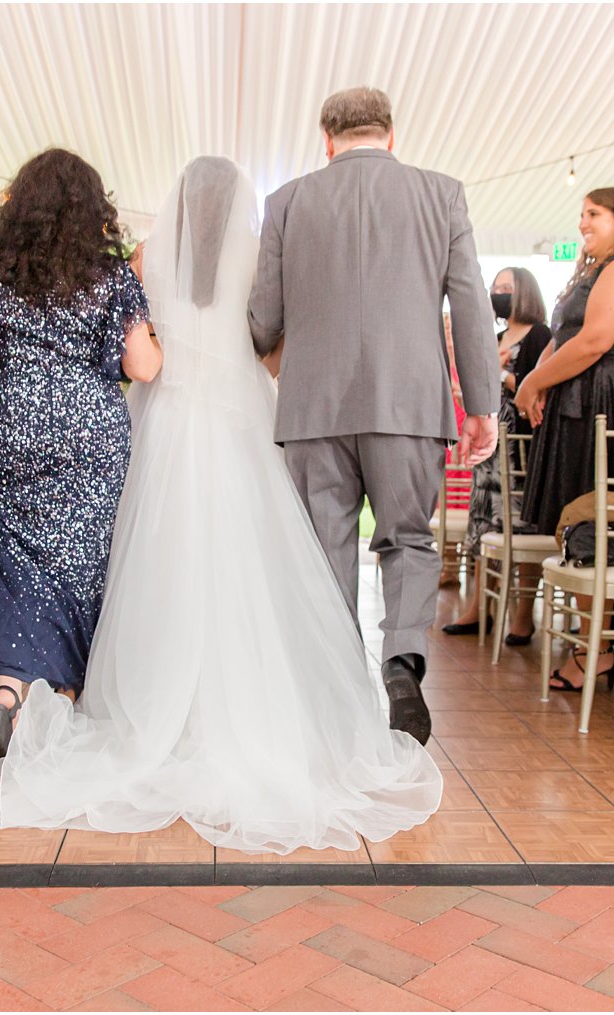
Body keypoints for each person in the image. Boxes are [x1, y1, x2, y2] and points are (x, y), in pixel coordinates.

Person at [0, 156, 442, 853]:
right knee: (248, 557)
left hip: (163, 416)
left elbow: (131, 343)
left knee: (157, 557)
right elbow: (270, 337)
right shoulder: (259, 253)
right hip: (240, 417)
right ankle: (256, 705)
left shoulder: (145, 256)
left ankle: (147, 702)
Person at [248, 86, 498, 746]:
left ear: (325, 139)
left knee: (325, 545)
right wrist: (482, 407)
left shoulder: (287, 201)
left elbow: (263, 318)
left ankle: (333, 692)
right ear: (391, 134)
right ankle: (402, 664)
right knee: (408, 539)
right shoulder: (441, 193)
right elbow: (471, 307)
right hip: (410, 401)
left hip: (312, 407)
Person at [0, 149, 162, 765]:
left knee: (17, 563)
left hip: (12, 422)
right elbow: (141, 365)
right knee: (81, 567)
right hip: (90, 430)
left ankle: (6, 690)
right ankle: (63, 699)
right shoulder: (111, 276)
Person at [515, 187, 614, 693]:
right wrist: (535, 380)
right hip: (577, 395)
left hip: (604, 396)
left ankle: (598, 650)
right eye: (581, 213)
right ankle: (593, 646)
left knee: (594, 520)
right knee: (576, 522)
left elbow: (596, 341)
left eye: (594, 214)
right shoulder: (595, 269)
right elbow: (562, 339)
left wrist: (537, 382)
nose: (583, 222)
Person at [442, 267, 550, 640]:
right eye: (495, 288)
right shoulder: (498, 336)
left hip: (521, 445)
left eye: (507, 288)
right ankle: (478, 607)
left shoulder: (540, 336)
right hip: (491, 446)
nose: (499, 293)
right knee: (483, 523)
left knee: (520, 526)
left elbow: (537, 388)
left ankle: (522, 615)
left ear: (525, 292)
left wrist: (502, 372)